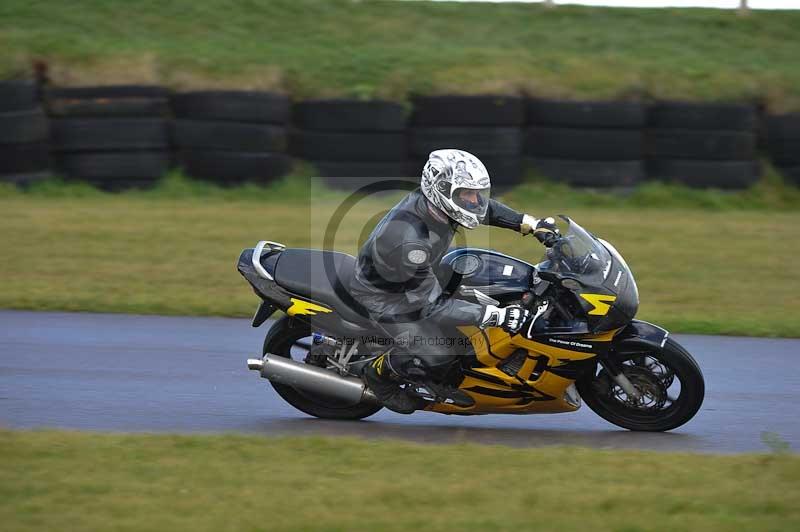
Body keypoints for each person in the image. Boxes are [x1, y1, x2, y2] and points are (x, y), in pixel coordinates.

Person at [349, 149, 558, 413]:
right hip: (386, 296)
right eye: (467, 194)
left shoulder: (440, 206)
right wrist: (496, 315)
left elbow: (483, 209)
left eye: (476, 193)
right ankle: (379, 374)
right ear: (442, 191)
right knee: (440, 354)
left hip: (419, 274)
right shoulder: (409, 241)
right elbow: (430, 306)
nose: (474, 201)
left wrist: (529, 223)